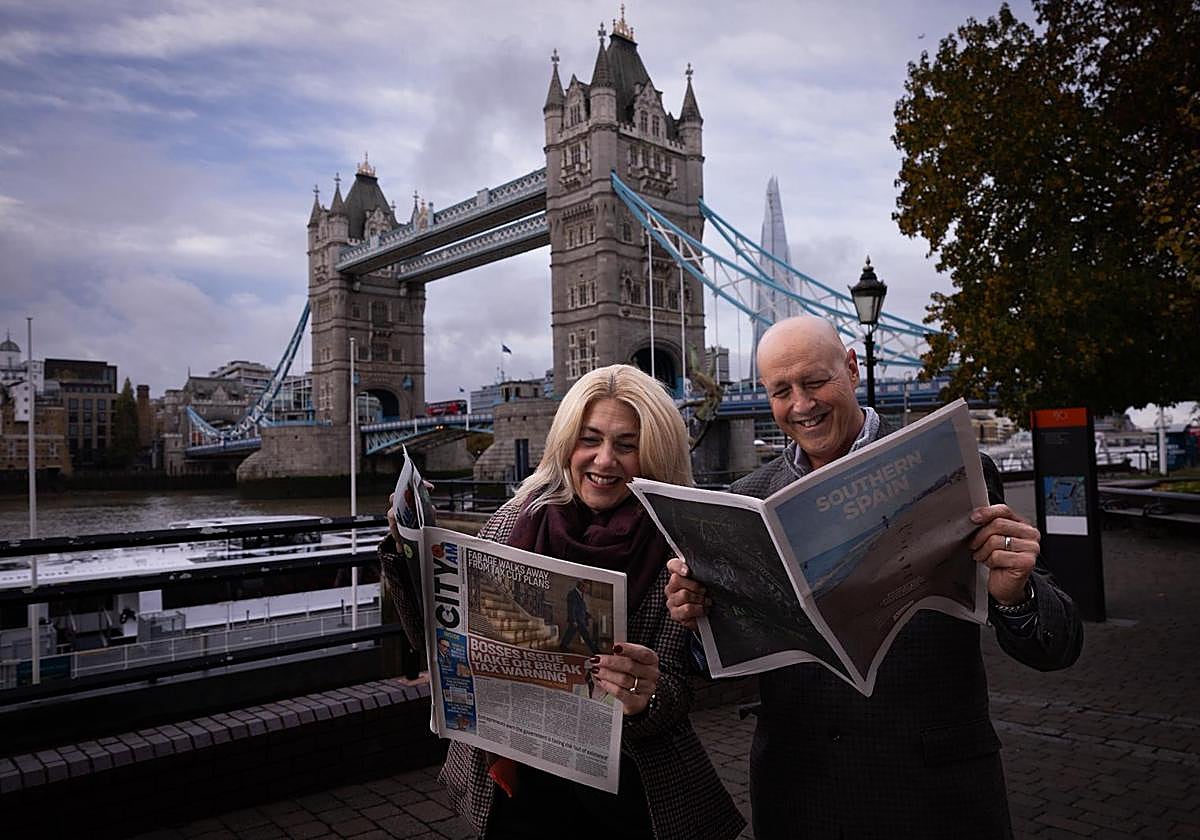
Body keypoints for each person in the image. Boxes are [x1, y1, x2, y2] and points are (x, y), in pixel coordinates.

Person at [665, 316, 1084, 840]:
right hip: (799, 797)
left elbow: (1057, 647)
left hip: (935, 795)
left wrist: (1017, 596)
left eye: (815, 382)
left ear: (852, 368)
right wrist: (698, 620)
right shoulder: (743, 502)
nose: (801, 405)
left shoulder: (947, 465)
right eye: (780, 391)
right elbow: (707, 668)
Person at [379, 363, 744, 840]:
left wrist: (645, 698)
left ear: (656, 453)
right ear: (565, 442)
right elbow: (432, 637)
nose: (604, 460)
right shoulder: (515, 519)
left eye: (627, 445)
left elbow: (678, 689)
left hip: (627, 788)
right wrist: (407, 549)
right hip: (514, 784)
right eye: (589, 439)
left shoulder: (680, 547)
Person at [560, 579, 599, 653]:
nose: (587, 589)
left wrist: (590, 616)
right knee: (587, 637)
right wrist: (573, 620)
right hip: (577, 621)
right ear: (581, 585)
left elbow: (581, 610)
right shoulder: (573, 594)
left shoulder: (580, 595)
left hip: (580, 620)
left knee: (569, 634)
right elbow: (571, 608)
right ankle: (596, 652)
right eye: (586, 587)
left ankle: (563, 646)